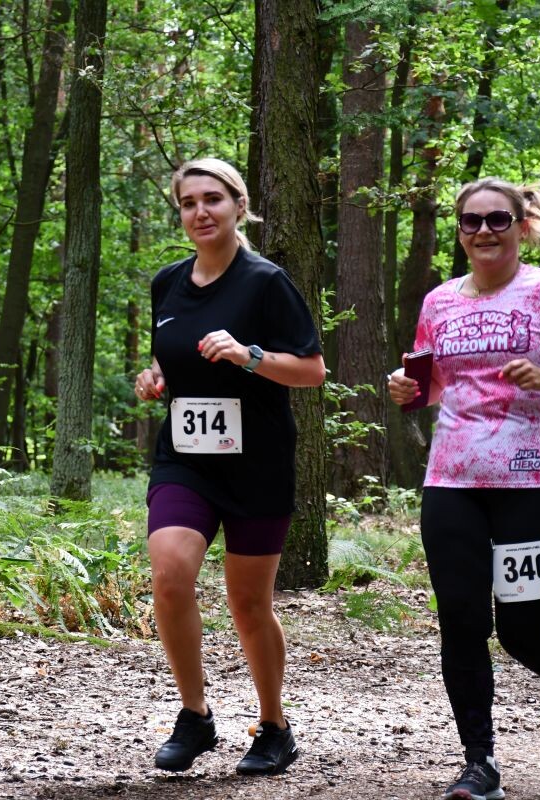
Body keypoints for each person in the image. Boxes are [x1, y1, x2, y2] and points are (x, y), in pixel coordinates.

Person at [387, 177, 540, 800]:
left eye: (497, 219)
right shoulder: (438, 302)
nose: (484, 230)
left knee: (522, 629)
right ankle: (479, 762)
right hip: (452, 481)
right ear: (460, 232)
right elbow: (433, 385)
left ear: (521, 226)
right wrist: (408, 390)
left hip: (533, 481)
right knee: (461, 622)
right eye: (472, 221)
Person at [133, 158, 325, 777]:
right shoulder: (167, 283)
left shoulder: (266, 282)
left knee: (248, 603)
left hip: (257, 465)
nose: (200, 212)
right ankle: (195, 715)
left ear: (239, 205)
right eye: (188, 203)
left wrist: (249, 356)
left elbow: (312, 371)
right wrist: (154, 378)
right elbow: (168, 359)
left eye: (212, 199)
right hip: (185, 461)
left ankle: (274, 726)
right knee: (170, 573)